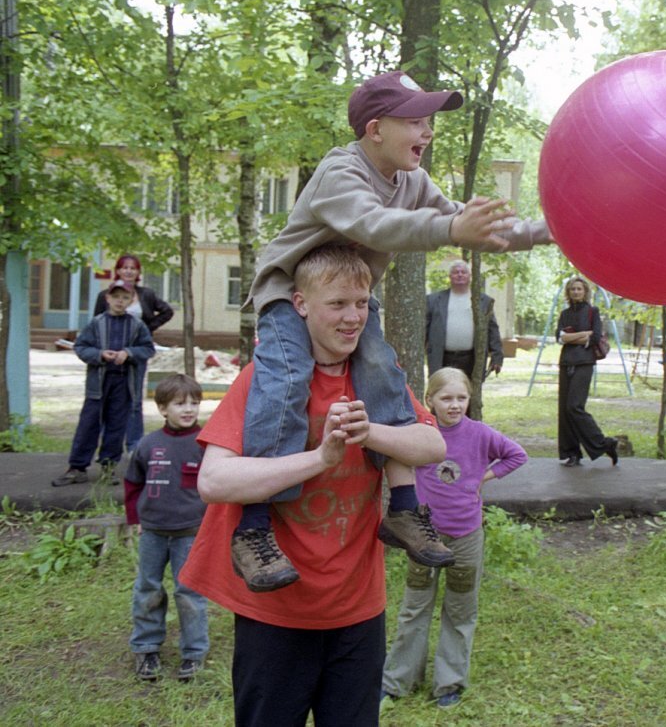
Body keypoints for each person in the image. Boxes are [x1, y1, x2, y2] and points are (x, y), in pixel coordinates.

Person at [235, 69, 550, 592]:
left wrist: (551, 230)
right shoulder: (342, 172)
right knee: (287, 383)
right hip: (291, 299)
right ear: (376, 128)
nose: (427, 132)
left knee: (384, 375)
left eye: (430, 122)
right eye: (416, 121)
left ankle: (404, 508)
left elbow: (470, 223)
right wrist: (451, 228)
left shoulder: (414, 182)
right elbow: (373, 225)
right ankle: (252, 527)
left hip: (352, 302)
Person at [180, 244, 446, 727]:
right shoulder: (261, 381)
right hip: (275, 609)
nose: (353, 318)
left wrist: (371, 433)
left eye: (362, 304)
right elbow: (214, 481)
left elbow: (432, 446)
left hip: (358, 609)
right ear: (301, 305)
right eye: (338, 304)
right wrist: (319, 458)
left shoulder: (377, 382)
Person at [381, 367, 528, 709]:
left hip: (465, 536)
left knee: (460, 609)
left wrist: (484, 478)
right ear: (429, 400)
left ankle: (449, 683)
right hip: (424, 535)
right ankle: (398, 681)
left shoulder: (479, 434)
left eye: (461, 398)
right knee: (415, 606)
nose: (455, 405)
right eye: (446, 398)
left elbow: (516, 455)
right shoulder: (420, 434)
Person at [123, 373, 208, 683]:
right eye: (180, 403)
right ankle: (146, 648)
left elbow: (216, 489)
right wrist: (135, 521)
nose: (188, 409)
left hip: (190, 532)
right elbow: (132, 484)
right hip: (153, 533)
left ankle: (194, 653)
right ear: (162, 408)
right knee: (148, 588)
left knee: (189, 593)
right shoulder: (148, 444)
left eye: (194, 403)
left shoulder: (206, 444)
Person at [53, 279, 156, 487]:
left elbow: (148, 349)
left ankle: (109, 467)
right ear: (107, 298)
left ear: (131, 300)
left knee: (116, 426)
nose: (120, 301)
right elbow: (81, 347)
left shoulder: (137, 325)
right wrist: (100, 354)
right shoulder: (96, 323)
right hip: (98, 384)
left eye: (125, 297)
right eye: (116, 297)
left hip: (124, 384)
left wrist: (128, 353)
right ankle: (77, 467)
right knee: (88, 424)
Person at [92, 253, 174, 451]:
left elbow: (167, 311)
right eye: (124, 267)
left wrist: (147, 327)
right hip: (110, 354)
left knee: (134, 400)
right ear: (118, 270)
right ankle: (106, 447)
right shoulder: (105, 295)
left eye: (133, 268)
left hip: (136, 354)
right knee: (105, 400)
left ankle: (134, 447)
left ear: (138, 272)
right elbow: (97, 323)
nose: (128, 271)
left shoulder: (145, 294)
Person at [555, 276, 620, 467]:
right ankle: (572, 453)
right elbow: (559, 338)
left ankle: (604, 444)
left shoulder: (593, 311)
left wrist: (570, 337)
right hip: (566, 362)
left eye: (579, 289)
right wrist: (582, 334)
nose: (576, 292)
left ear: (585, 292)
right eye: (573, 289)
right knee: (564, 411)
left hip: (584, 363)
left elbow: (595, 337)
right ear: (569, 292)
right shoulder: (564, 313)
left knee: (574, 407)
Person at [425, 259, 504, 385]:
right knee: (441, 393)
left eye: (463, 272)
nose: (460, 274)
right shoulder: (433, 300)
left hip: (471, 359)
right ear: (450, 276)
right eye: (456, 272)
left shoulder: (483, 301)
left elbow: (492, 330)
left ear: (470, 276)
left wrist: (497, 357)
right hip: (441, 358)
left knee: (469, 396)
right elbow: (423, 329)